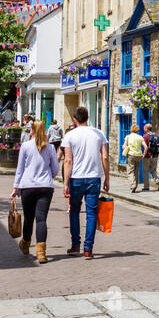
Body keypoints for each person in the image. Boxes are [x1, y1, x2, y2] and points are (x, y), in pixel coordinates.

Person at [61, 106, 109, 258]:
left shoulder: (70, 136)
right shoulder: (98, 134)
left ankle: (75, 245)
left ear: (75, 120)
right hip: (94, 178)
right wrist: (107, 177)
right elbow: (105, 157)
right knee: (91, 213)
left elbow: (68, 160)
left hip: (76, 178)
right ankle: (88, 249)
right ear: (88, 118)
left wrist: (65, 182)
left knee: (74, 211)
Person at [13, 119, 61, 263]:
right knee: (41, 219)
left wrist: (16, 187)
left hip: (28, 186)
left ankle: (26, 244)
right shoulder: (51, 148)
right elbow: (55, 169)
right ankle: (41, 253)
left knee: (29, 218)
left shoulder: (26, 146)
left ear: (31, 131)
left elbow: (20, 169)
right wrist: (48, 176)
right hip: (45, 187)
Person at [122, 123, 147, 192]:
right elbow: (146, 147)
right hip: (138, 155)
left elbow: (124, 146)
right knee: (136, 171)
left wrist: (125, 148)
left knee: (130, 171)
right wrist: (144, 155)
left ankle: (133, 186)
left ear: (131, 129)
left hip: (130, 155)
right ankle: (135, 186)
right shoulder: (140, 137)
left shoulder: (128, 137)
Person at [142, 122, 159, 191]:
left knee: (145, 171)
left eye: (144, 128)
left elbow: (145, 147)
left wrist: (143, 155)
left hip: (147, 156)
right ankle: (157, 181)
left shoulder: (145, 136)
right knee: (153, 170)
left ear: (147, 129)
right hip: (155, 156)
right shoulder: (156, 135)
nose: (144, 129)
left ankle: (146, 186)